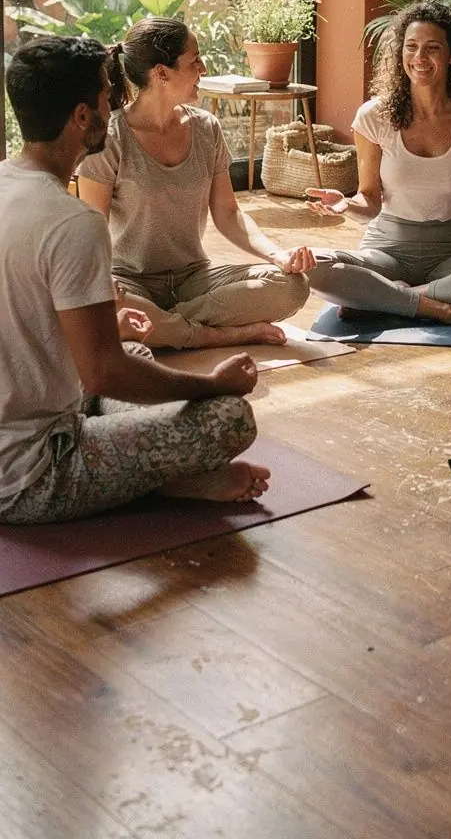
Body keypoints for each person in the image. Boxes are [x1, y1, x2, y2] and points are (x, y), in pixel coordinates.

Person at [0, 36, 271, 525]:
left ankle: (156, 471)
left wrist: (111, 330)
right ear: (83, 116)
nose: (116, 104)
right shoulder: (73, 222)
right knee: (228, 417)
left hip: (28, 414)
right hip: (31, 471)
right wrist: (209, 384)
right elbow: (103, 373)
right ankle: (170, 480)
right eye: (108, 95)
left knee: (138, 352)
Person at [77, 18, 315, 351]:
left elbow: (228, 213)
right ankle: (216, 334)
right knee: (108, 306)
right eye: (194, 61)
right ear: (162, 73)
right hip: (130, 282)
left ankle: (163, 327)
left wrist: (277, 255)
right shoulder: (110, 138)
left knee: (292, 287)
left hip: (194, 280)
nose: (203, 67)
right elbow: (92, 228)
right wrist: (104, 284)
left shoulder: (206, 128)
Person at [305, 1, 451, 330]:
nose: (419, 58)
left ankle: (387, 300)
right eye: (411, 47)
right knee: (309, 264)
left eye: (432, 48)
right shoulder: (375, 117)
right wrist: (347, 205)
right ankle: (446, 309)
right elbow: (369, 200)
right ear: (400, 52)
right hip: (386, 250)